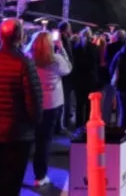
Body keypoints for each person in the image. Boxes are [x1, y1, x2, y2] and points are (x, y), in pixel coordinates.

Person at [0, 18, 44, 196]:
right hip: (18, 134)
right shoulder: (24, 62)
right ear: (20, 36)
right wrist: (34, 121)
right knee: (11, 185)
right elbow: (34, 101)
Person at [26, 30, 72, 187]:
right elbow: (68, 69)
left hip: (32, 102)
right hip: (51, 103)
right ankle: (40, 175)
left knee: (27, 138)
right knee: (43, 141)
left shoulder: (28, 57)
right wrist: (62, 48)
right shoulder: (56, 59)